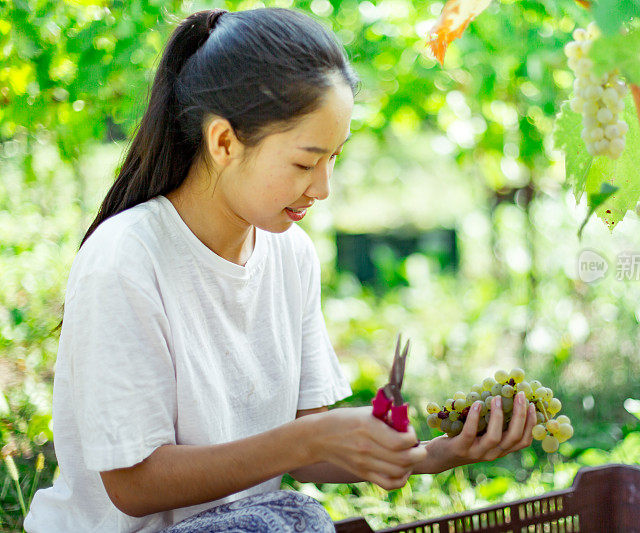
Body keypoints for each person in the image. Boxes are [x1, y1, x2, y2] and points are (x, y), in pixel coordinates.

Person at [23, 7, 539, 532]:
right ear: (224, 142)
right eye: (304, 162)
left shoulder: (290, 255)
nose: (322, 189)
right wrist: (306, 440)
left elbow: (304, 449)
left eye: (334, 158)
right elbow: (134, 486)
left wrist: (434, 454)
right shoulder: (126, 260)